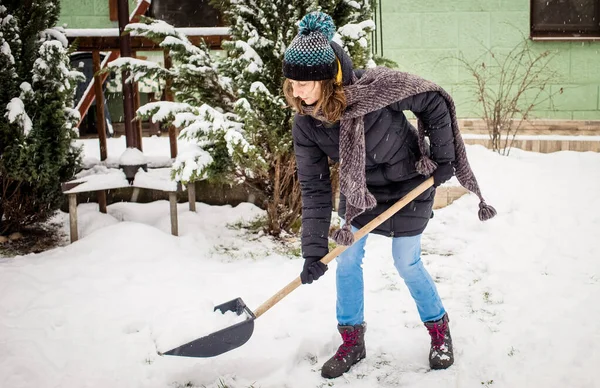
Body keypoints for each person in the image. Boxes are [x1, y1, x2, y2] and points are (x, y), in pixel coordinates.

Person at [282, 12, 495, 379]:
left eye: (304, 84)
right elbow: (315, 186)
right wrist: (314, 250)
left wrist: (442, 156)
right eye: (292, 83)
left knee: (406, 261)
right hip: (358, 190)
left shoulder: (377, 88)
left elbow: (433, 99)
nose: (296, 92)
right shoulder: (306, 125)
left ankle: (439, 331)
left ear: (327, 79)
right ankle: (352, 341)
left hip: (410, 183)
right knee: (346, 261)